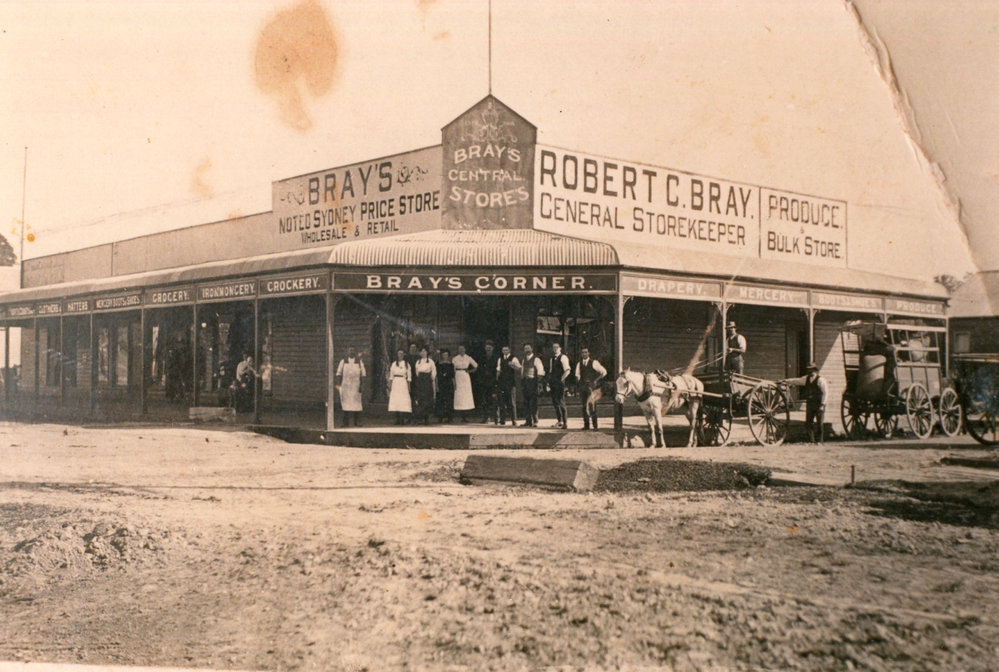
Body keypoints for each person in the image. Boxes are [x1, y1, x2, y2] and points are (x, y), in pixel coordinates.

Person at [782, 362, 828, 443]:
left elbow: (825, 393)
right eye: (809, 370)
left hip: (819, 404)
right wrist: (786, 381)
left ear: (815, 370)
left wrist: (822, 404)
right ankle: (811, 441)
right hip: (810, 404)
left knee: (819, 423)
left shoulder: (821, 380)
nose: (810, 372)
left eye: (812, 370)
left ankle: (819, 441)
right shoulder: (806, 379)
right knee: (808, 423)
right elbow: (796, 381)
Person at [575, 347, 607, 430]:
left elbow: (603, 372)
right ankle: (586, 425)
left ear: (589, 353)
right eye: (582, 352)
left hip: (591, 387)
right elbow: (577, 375)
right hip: (583, 387)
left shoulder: (594, 362)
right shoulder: (579, 364)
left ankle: (595, 426)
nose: (584, 354)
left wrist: (596, 380)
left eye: (586, 352)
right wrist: (579, 382)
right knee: (584, 406)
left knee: (592, 405)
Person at [335, 345, 366, 427]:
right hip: (346, 385)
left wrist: (362, 385)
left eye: (353, 350)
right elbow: (338, 373)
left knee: (357, 404)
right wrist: (338, 385)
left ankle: (357, 422)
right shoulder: (343, 361)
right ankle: (345, 423)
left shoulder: (359, 361)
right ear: (347, 352)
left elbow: (363, 374)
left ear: (355, 352)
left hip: (356, 385)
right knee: (345, 403)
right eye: (350, 350)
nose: (351, 352)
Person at [520, 343, 546, 427]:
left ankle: (535, 421)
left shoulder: (536, 359)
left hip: (533, 382)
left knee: (533, 402)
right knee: (526, 402)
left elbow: (540, 371)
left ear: (532, 349)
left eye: (528, 348)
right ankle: (528, 421)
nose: (527, 350)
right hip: (525, 382)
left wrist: (538, 382)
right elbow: (522, 371)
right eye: (525, 348)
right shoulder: (524, 360)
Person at [451, 344, 478, 422]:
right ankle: (460, 415)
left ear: (465, 350)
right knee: (459, 394)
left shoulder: (468, 358)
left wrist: (469, 371)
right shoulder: (455, 358)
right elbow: (453, 369)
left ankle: (465, 416)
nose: (461, 350)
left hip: (465, 376)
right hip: (458, 376)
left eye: (463, 349)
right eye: (460, 349)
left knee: (465, 395)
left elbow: (476, 366)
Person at [495, 345, 521, 425]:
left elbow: (519, 368)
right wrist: (497, 380)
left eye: (506, 350)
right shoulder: (500, 359)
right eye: (503, 350)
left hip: (510, 383)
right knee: (502, 402)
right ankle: (502, 420)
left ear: (509, 350)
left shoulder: (514, 358)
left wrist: (512, 365)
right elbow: (498, 370)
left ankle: (514, 420)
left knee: (511, 402)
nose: (505, 351)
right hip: (502, 382)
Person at [548, 342, 571, 429]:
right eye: (554, 347)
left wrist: (561, 380)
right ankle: (559, 421)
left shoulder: (563, 357)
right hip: (553, 383)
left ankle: (565, 423)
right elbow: (551, 371)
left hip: (560, 383)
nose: (555, 349)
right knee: (555, 402)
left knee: (561, 402)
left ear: (560, 348)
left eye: (557, 347)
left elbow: (567, 370)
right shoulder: (552, 359)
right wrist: (549, 382)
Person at [412, 346, 437, 425]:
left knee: (427, 399)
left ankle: (426, 418)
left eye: (424, 351)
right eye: (421, 351)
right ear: (419, 353)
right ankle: (420, 418)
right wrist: (420, 379)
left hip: (427, 380)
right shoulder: (418, 362)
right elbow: (416, 372)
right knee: (420, 399)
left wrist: (431, 378)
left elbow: (434, 371)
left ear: (427, 352)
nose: (423, 353)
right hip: (420, 381)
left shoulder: (430, 361)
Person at [387, 349, 412, 425]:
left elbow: (409, 376)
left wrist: (408, 386)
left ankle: (402, 419)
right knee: (396, 400)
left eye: (402, 353)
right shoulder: (394, 364)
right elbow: (391, 376)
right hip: (395, 383)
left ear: (404, 355)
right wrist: (390, 386)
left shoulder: (406, 364)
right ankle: (397, 419)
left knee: (403, 400)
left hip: (403, 383)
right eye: (399, 353)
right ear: (397, 355)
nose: (400, 355)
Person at [478, 340, 500, 423]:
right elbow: (479, 368)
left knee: (494, 399)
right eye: (487, 348)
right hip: (484, 382)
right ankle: (486, 417)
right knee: (484, 400)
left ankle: (496, 418)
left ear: (493, 348)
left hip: (493, 382)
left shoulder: (497, 357)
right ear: (485, 348)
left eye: (490, 348)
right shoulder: (482, 357)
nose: (488, 349)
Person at [435, 348, 455, 423]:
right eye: (443, 355)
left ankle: (449, 417)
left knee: (449, 400)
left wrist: (454, 385)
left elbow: (453, 376)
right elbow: (436, 376)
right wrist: (436, 385)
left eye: (446, 355)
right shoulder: (438, 364)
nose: (445, 356)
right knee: (441, 400)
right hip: (441, 383)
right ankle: (440, 417)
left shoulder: (451, 365)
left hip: (449, 384)